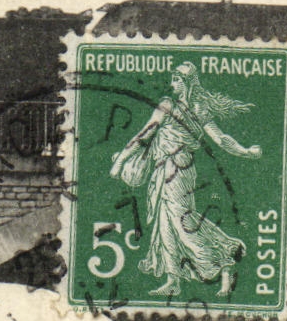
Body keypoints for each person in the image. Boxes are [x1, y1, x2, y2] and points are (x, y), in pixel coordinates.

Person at [110, 62, 262, 297]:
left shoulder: (193, 109)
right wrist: (121, 159)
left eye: (177, 80)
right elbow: (146, 134)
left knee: (182, 223)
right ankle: (173, 280)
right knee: (165, 225)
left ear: (188, 83)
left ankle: (224, 265)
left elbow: (220, 139)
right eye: (172, 80)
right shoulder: (169, 105)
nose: (172, 84)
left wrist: (245, 152)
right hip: (164, 169)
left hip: (179, 170)